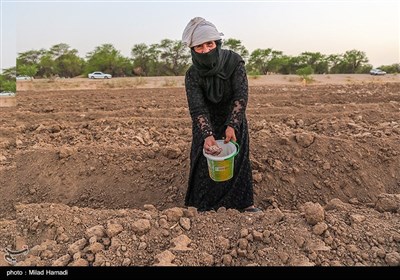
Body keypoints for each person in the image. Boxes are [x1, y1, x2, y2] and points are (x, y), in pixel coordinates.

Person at [182, 17, 261, 212]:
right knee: (204, 161)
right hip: (205, 121)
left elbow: (241, 95)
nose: (206, 50)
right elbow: (197, 107)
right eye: (199, 47)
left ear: (217, 43)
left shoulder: (234, 61)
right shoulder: (192, 74)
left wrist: (233, 124)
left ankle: (244, 205)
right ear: (192, 50)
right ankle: (201, 207)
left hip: (233, 116)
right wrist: (207, 134)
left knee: (237, 159)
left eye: (210, 44)